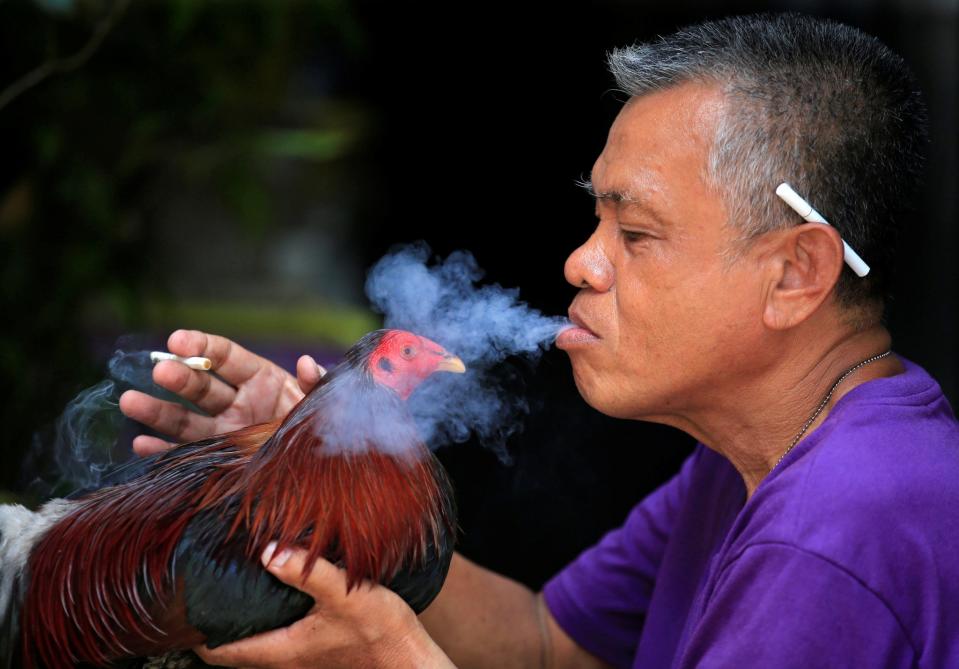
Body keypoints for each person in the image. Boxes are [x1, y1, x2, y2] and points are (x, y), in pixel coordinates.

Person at [120, 12, 959, 669]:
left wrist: (394, 654)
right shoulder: (748, 456)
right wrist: (337, 489)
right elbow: (547, 646)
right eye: (594, 217)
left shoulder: (830, 536)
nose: (579, 262)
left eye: (634, 232)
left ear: (793, 275)